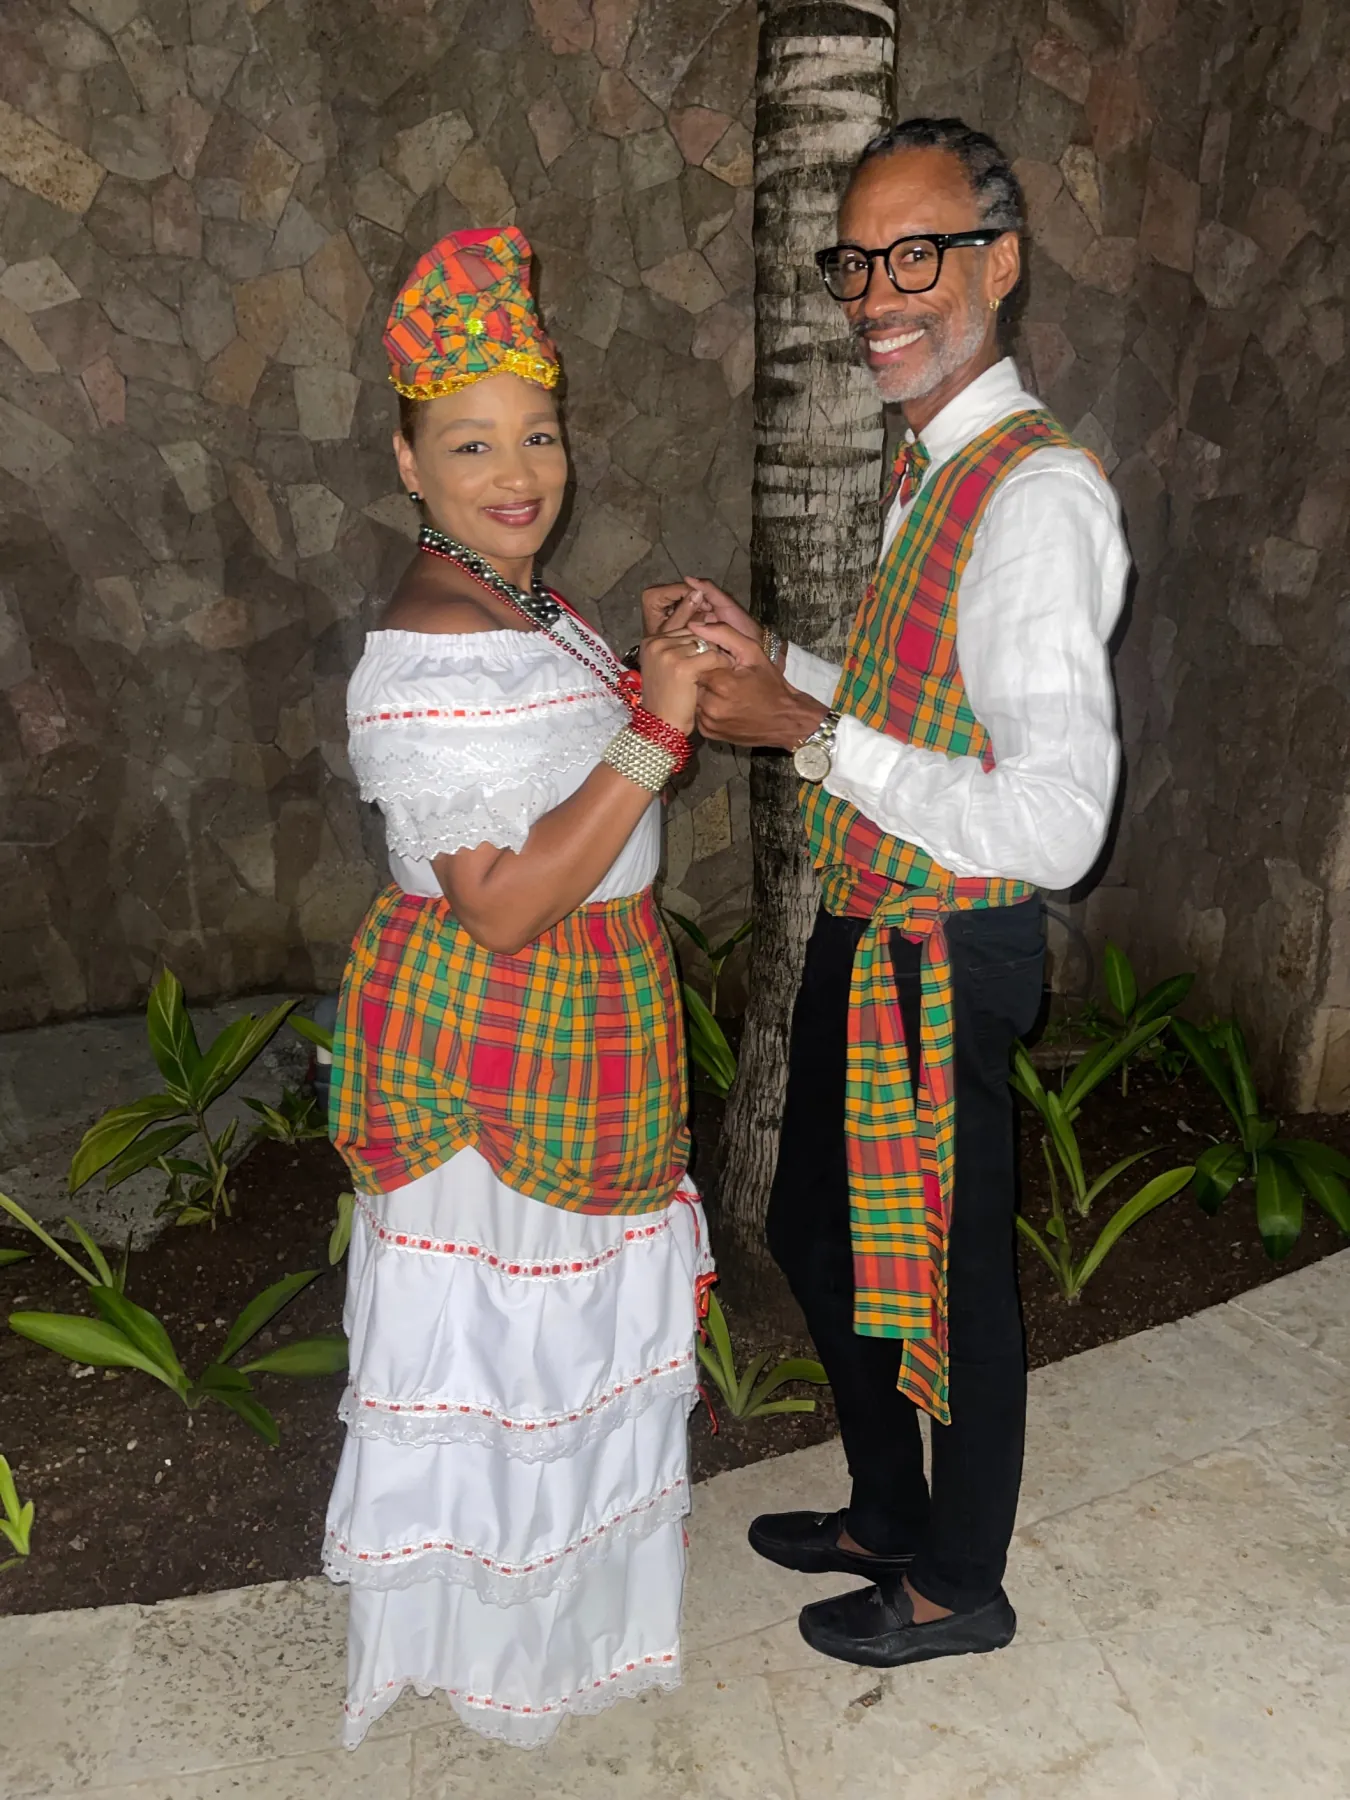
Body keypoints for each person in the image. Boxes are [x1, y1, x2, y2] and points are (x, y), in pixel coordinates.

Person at [667, 117, 1130, 1668]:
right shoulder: (930, 465)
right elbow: (911, 710)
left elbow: (1056, 823)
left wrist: (804, 731)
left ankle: (960, 1581)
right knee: (817, 1225)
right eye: (857, 259)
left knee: (952, 1275)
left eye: (916, 253)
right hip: (874, 929)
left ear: (996, 264)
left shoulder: (1035, 499)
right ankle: (884, 1511)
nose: (877, 291)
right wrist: (774, 663)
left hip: (951, 943)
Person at [323, 227, 723, 1747]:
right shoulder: (428, 645)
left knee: (543, 1359)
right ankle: (500, 1657)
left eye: (537, 434)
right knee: (507, 1359)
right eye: (472, 442)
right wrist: (658, 730)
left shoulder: (517, 603)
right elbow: (494, 902)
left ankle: (550, 1632)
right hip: (501, 1040)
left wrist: (647, 665)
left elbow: (548, 780)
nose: (519, 470)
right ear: (407, 463)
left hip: (577, 1025)